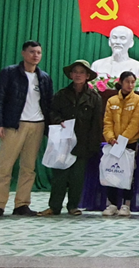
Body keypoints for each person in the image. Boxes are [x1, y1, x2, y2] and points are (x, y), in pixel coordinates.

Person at [0, 40, 53, 219]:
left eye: (38, 52)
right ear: (23, 53)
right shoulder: (9, 73)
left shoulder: (44, 77)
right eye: (32, 52)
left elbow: (49, 104)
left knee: (29, 168)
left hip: (37, 125)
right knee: (4, 167)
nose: (35, 55)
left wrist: (51, 127)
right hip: (14, 125)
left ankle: (22, 204)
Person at [39, 60, 102, 216]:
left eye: (82, 72)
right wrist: (58, 121)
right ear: (71, 75)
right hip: (62, 141)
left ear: (87, 76)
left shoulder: (94, 97)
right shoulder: (61, 94)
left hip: (82, 142)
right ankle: (54, 207)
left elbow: (97, 124)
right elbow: (52, 112)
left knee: (77, 176)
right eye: (75, 72)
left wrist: (93, 146)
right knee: (59, 175)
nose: (78, 75)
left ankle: (73, 206)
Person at [102, 71, 139, 216]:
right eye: (127, 82)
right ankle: (112, 204)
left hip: (129, 143)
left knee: (128, 173)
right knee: (112, 172)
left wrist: (122, 139)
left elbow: (135, 123)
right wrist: (110, 138)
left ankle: (126, 204)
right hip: (113, 144)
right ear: (120, 82)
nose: (130, 85)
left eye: (133, 82)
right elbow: (107, 122)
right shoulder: (112, 101)